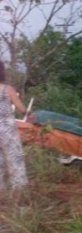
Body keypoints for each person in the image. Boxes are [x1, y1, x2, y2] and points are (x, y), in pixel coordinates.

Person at [0, 61, 29, 192]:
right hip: (7, 129)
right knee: (14, 158)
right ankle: (19, 189)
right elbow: (22, 109)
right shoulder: (7, 89)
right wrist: (31, 116)